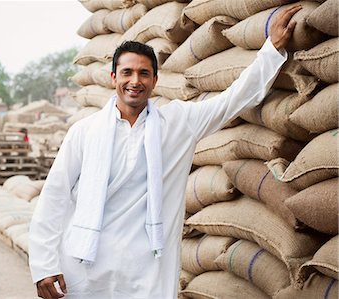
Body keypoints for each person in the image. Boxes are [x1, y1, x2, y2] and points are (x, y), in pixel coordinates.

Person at [28, 5, 301, 299]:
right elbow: (54, 197)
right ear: (113, 78)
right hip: (86, 267)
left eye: (144, 73)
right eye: (127, 73)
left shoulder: (177, 123)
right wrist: (44, 264)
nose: (135, 81)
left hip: (147, 271)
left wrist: (271, 51)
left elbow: (232, 100)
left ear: (155, 81)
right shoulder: (84, 132)